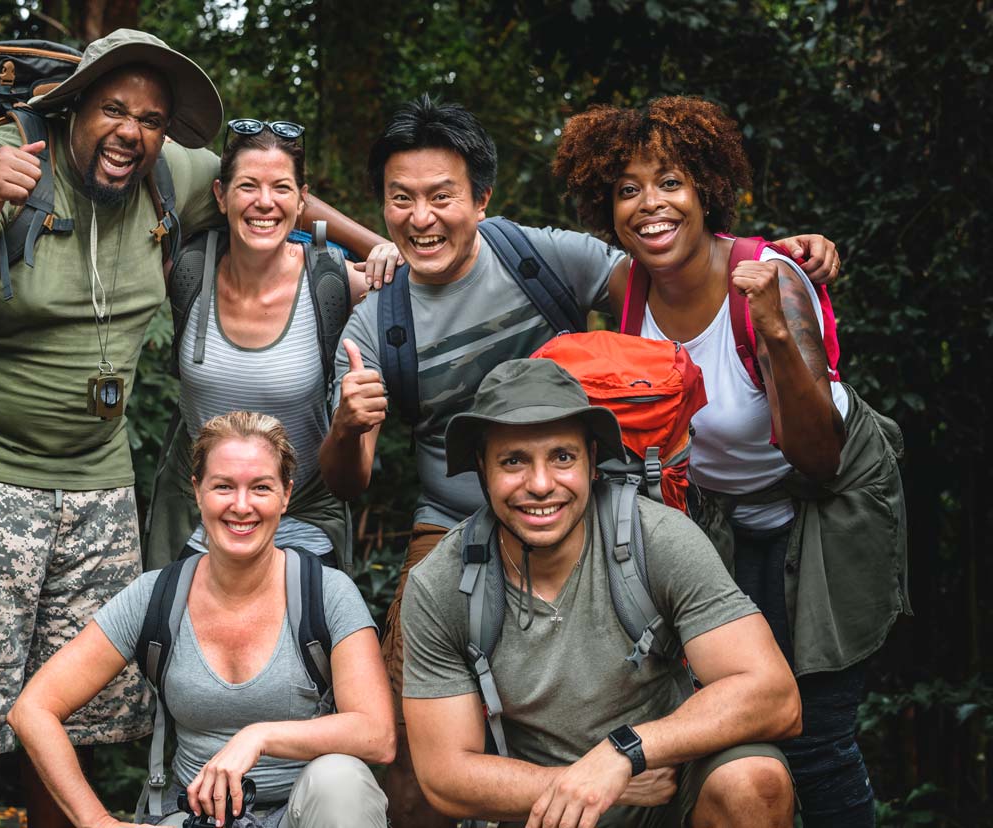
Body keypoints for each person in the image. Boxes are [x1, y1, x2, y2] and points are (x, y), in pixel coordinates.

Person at [0, 28, 384, 828]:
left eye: (150, 118)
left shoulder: (168, 172)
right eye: (113, 109)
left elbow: (270, 188)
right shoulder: (7, 164)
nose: (131, 132)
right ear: (75, 107)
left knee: (75, 715)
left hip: (94, 474)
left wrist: (369, 243)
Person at [318, 93, 838, 827]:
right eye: (400, 200)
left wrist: (770, 260)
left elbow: (672, 273)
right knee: (407, 756)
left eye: (442, 196)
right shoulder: (378, 321)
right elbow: (350, 478)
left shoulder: (535, 257)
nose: (420, 217)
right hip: (452, 523)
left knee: (744, 758)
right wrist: (346, 425)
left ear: (482, 199)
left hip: (585, 500)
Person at [553, 95, 910, 827]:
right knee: (733, 719)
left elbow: (818, 454)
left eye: (671, 181)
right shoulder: (625, 289)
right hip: (720, 511)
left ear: (707, 188)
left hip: (827, 500)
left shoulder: (770, 278)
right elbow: (482, 240)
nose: (649, 205)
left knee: (815, 734)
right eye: (627, 189)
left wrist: (776, 328)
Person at [400, 358, 801, 828]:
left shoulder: (658, 539)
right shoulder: (442, 584)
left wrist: (624, 753)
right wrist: (586, 783)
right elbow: (445, 775)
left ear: (592, 461)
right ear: (483, 471)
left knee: (753, 780)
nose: (541, 484)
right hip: (547, 813)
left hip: (668, 793)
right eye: (513, 461)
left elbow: (774, 696)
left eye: (562, 457)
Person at [10, 411, 394, 828]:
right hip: (197, 818)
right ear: (197, 491)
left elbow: (376, 733)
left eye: (261, 487)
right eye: (223, 486)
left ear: (286, 494)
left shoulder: (327, 592)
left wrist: (258, 736)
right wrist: (95, 821)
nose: (241, 505)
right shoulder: (157, 596)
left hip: (304, 815)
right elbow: (33, 709)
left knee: (342, 779)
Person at [143, 119, 377, 571]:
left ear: (302, 199)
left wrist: (381, 248)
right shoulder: (187, 271)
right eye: (247, 186)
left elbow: (427, 279)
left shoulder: (334, 283)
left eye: (281, 188)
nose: (264, 203)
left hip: (303, 517)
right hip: (196, 518)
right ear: (219, 195)